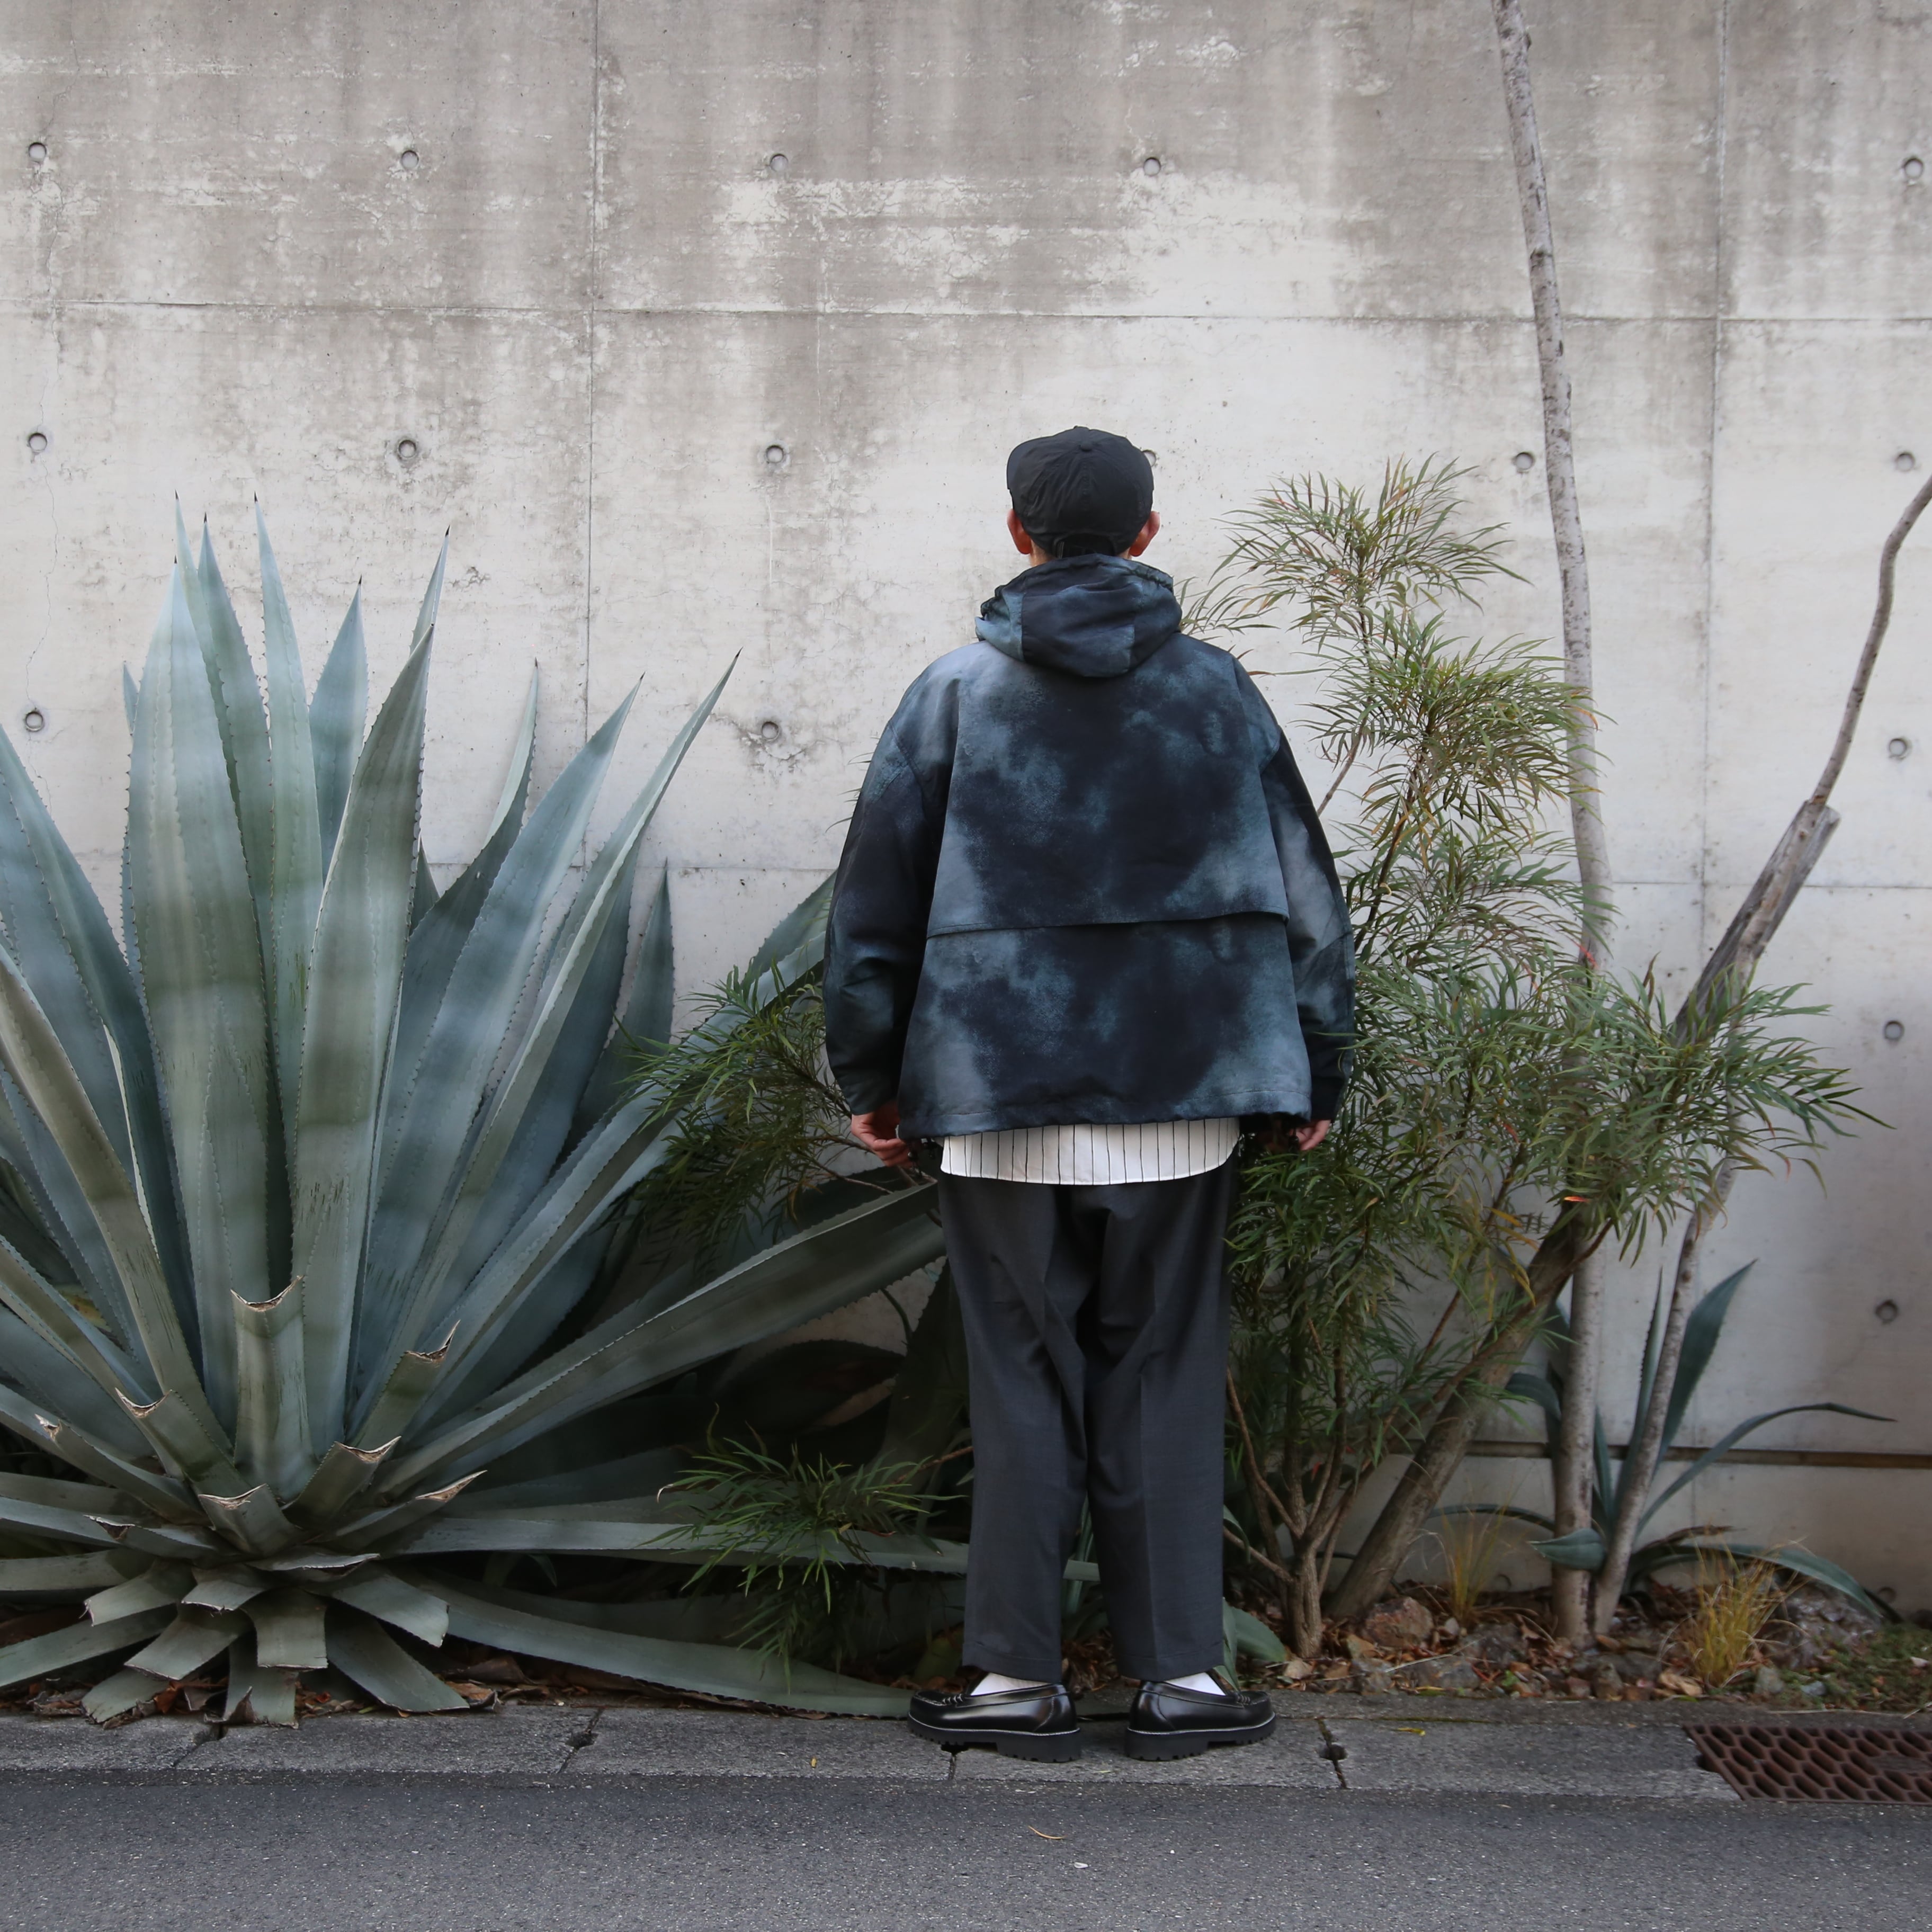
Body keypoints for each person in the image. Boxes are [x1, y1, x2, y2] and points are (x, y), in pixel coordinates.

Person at [822, 427, 1354, 1761]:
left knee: (1018, 1383)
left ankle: (1016, 1684)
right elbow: (1306, 894)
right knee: (1163, 1376)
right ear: (1148, 533)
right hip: (1184, 1092)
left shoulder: (952, 694)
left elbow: (873, 906)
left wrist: (874, 1079)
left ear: (1018, 535)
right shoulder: (1218, 692)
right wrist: (1314, 1062)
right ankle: (1185, 1683)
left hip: (996, 1092)